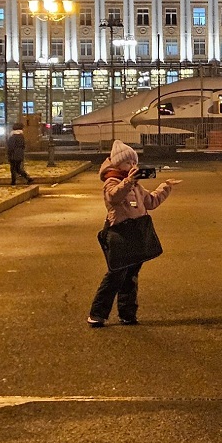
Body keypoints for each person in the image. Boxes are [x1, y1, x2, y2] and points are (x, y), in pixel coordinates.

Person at [88, 140, 181, 327]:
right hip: (120, 233)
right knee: (116, 274)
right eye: (128, 163)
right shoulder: (112, 181)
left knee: (131, 275)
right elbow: (113, 197)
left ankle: (128, 313)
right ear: (117, 163)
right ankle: (97, 314)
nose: (132, 166)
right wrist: (128, 181)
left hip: (136, 233)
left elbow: (151, 202)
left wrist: (165, 187)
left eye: (134, 163)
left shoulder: (135, 185)